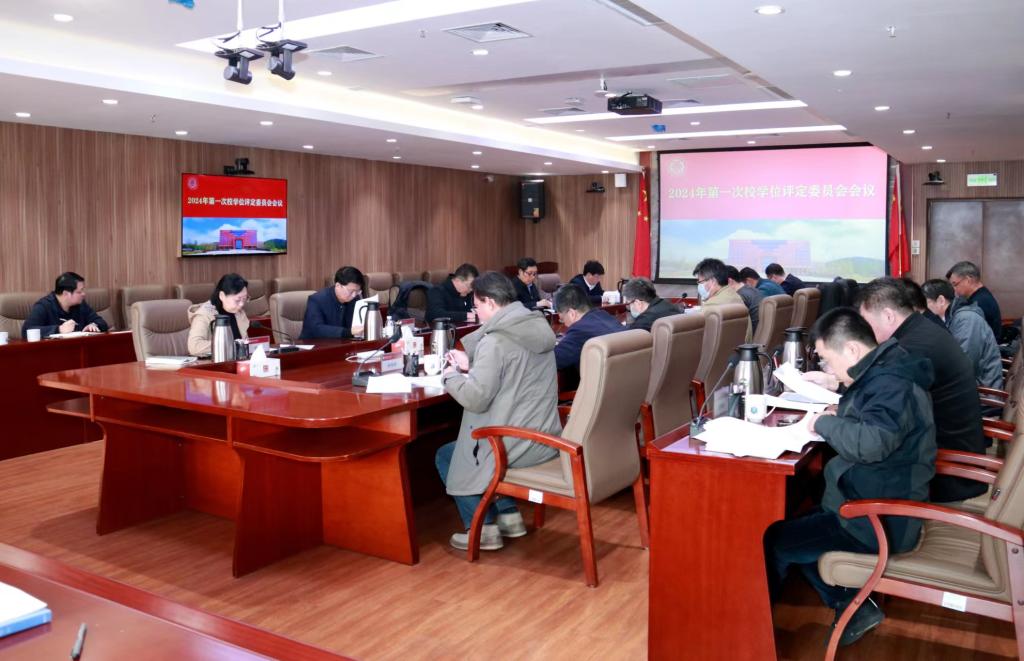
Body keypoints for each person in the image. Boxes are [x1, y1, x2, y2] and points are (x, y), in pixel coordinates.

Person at [765, 308, 935, 648]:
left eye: (828, 361)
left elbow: (872, 442)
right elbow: (876, 414)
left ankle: (754, 631)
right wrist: (842, 409)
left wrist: (823, 423)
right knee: (796, 521)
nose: (829, 369)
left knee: (775, 542)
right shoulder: (889, 368)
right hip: (875, 500)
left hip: (878, 518)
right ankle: (851, 604)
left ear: (853, 349)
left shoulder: (891, 383)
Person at [435, 271, 561, 551]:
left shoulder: (495, 341)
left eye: (477, 305)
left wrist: (450, 376)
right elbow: (514, 370)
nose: (475, 312)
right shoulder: (536, 327)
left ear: (490, 302)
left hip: (513, 442)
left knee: (447, 455)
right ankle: (510, 517)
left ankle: (483, 529)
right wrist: (473, 364)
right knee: (468, 449)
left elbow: (475, 399)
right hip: (544, 436)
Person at [855, 277, 986, 503]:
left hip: (946, 473)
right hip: (954, 457)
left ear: (888, 316)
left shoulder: (912, 347)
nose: (865, 331)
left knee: (851, 460)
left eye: (866, 322)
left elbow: (883, 405)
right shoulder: (923, 330)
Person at [922, 278, 1003, 389]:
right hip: (969, 385)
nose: (923, 310)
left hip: (983, 391)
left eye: (925, 303)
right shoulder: (953, 317)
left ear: (941, 300)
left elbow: (964, 366)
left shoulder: (967, 319)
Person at [552, 282, 625, 390]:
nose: (565, 324)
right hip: (626, 387)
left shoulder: (579, 331)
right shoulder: (604, 315)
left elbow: (554, 361)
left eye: (562, 319)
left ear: (572, 313)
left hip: (602, 391)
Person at [23, 272, 109, 339]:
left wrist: (94, 325)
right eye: (79, 291)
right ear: (66, 293)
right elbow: (26, 331)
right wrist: (59, 329)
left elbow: (102, 322)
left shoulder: (81, 305)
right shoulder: (44, 306)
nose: (83, 294)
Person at [187, 273, 250, 356]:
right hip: (212, 362)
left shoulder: (239, 313)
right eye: (237, 300)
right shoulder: (204, 314)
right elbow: (194, 346)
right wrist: (227, 345)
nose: (241, 304)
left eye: (244, 299)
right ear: (222, 296)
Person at [694, 258, 751, 342]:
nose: (700, 286)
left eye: (700, 282)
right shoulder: (734, 295)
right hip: (739, 348)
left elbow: (697, 338)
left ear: (712, 281)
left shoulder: (712, 307)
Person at [300, 266, 365, 339]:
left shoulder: (356, 299)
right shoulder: (317, 300)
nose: (354, 295)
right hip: (315, 343)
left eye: (357, 291)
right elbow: (316, 329)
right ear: (338, 285)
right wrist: (348, 332)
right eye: (351, 291)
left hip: (344, 343)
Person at [947, 261, 1002, 341]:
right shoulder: (982, 296)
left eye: (955, 284)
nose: (954, 289)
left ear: (968, 280)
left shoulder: (980, 302)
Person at [726, 264, 764, 332]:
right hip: (760, 331)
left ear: (729, 281)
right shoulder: (753, 290)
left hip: (751, 335)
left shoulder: (738, 296)